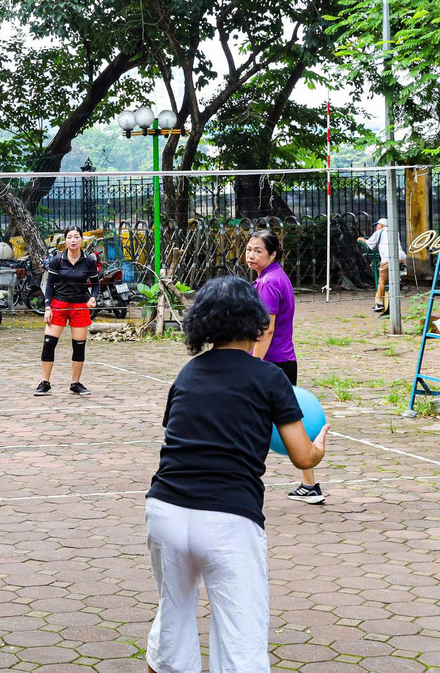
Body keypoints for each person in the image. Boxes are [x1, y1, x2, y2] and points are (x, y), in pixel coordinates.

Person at [144, 275, 328, 673]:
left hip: (166, 510)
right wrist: (319, 446)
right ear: (256, 321)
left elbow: (181, 433)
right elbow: (302, 457)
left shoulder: (188, 373)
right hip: (229, 518)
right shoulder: (269, 378)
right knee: (241, 638)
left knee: (172, 623)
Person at [245, 229, 322, 504]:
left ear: (273, 254)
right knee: (291, 423)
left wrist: (252, 364)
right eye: (249, 249)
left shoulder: (268, 283)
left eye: (258, 251)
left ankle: (245, 484)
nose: (251, 255)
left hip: (271, 362)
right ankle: (309, 485)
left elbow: (266, 330)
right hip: (282, 361)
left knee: (255, 424)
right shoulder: (275, 277)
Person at [35, 226, 99, 397]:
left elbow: (96, 284)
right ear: (65, 240)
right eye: (69, 237)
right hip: (59, 305)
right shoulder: (57, 260)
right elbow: (49, 285)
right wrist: (48, 307)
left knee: (79, 346)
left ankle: (75, 383)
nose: (73, 240)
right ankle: (45, 382)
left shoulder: (89, 261)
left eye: (76, 237)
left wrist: (93, 297)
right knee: (49, 343)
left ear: (81, 240)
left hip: (79, 306)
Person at [360, 218, 407, 315]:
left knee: (381, 281)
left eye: (377, 225)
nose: (376, 227)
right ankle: (399, 278)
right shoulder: (395, 232)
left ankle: (379, 303)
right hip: (401, 257)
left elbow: (370, 244)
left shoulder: (379, 232)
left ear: (381, 225)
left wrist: (361, 239)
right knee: (394, 279)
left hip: (387, 258)